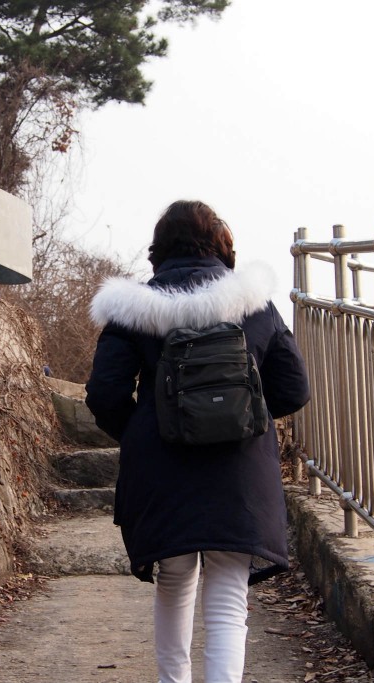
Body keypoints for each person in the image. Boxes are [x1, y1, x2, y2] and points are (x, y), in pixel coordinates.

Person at [84, 200, 310, 683]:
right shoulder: (254, 304)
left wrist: (144, 432)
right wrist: (239, 418)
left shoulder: (133, 310)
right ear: (220, 247)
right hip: (240, 471)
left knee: (175, 580)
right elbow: (293, 389)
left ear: (159, 250)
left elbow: (105, 393)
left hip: (162, 469)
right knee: (229, 596)